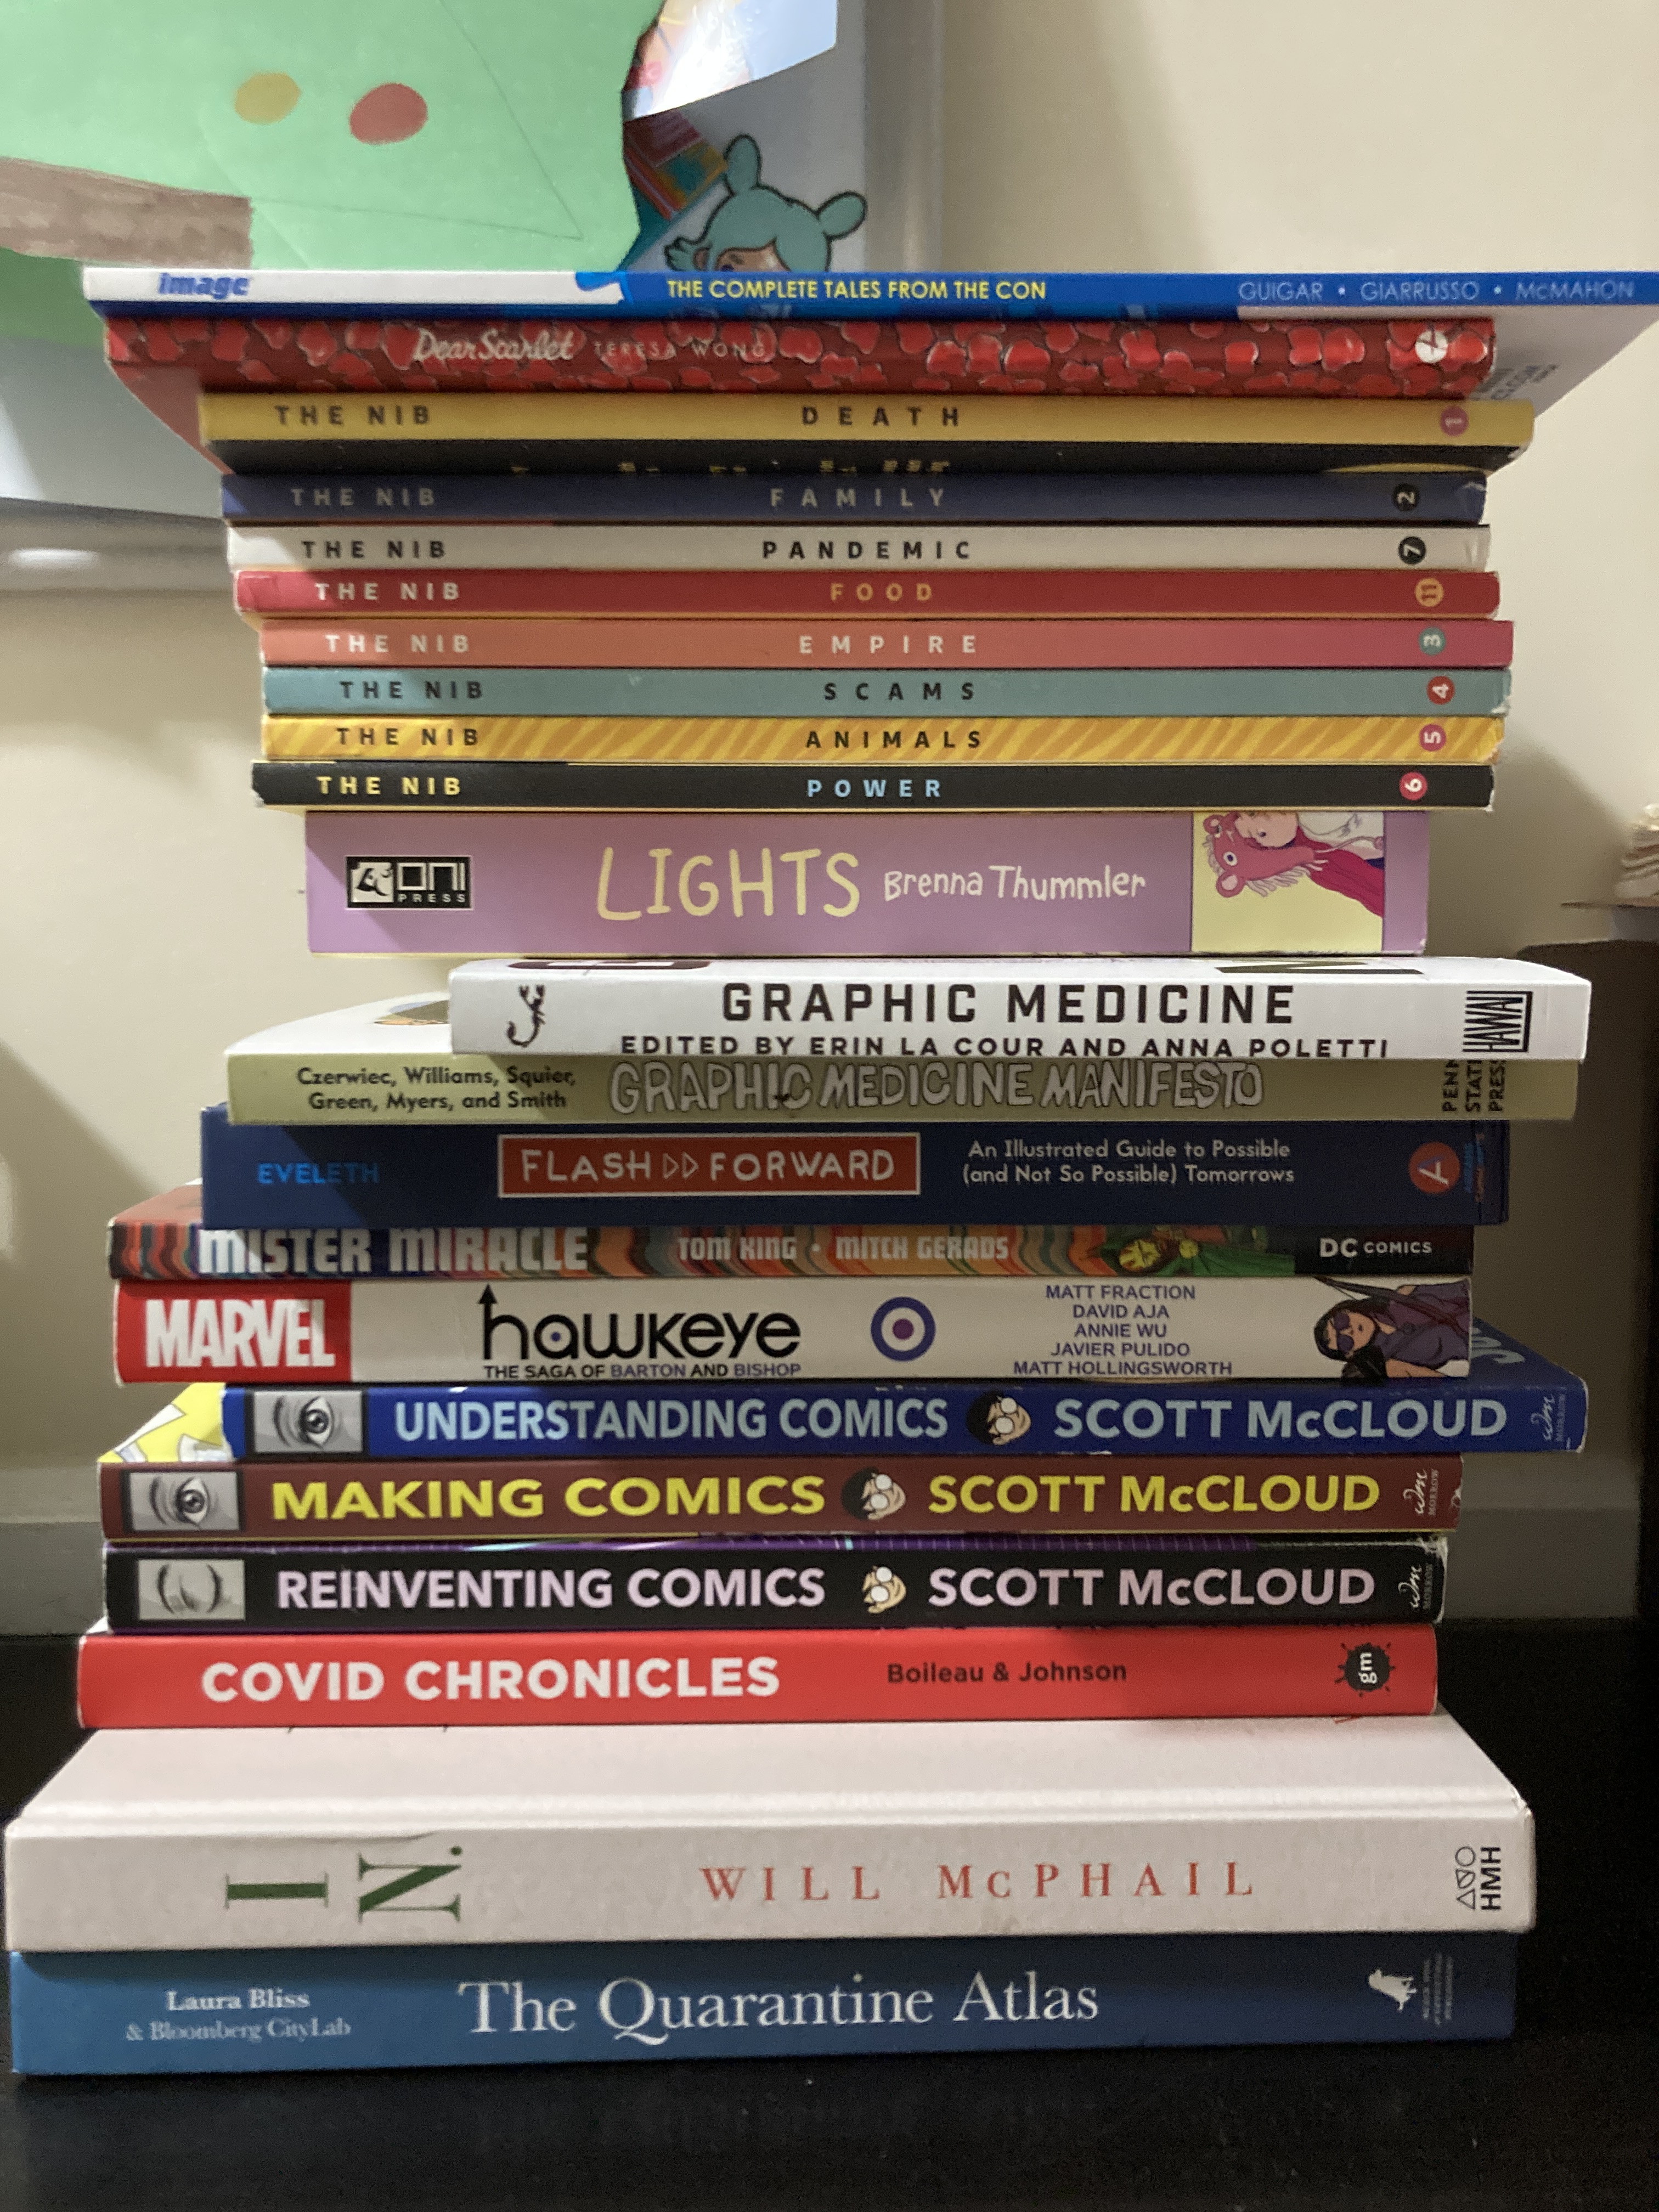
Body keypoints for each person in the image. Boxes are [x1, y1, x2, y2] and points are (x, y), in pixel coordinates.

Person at [1203, 809, 1386, 916]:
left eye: (1252, 813)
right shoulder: (1320, 862)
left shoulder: (1311, 829)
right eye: (1261, 834)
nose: (1263, 819)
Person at [1313, 1282, 1470, 1381]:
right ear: (1350, 1354)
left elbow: (1462, 1288)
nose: (1349, 1330)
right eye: (1345, 1342)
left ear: (1346, 1310)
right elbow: (1448, 1388)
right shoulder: (1393, 1365)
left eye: (1341, 1321)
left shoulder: (1398, 1297)